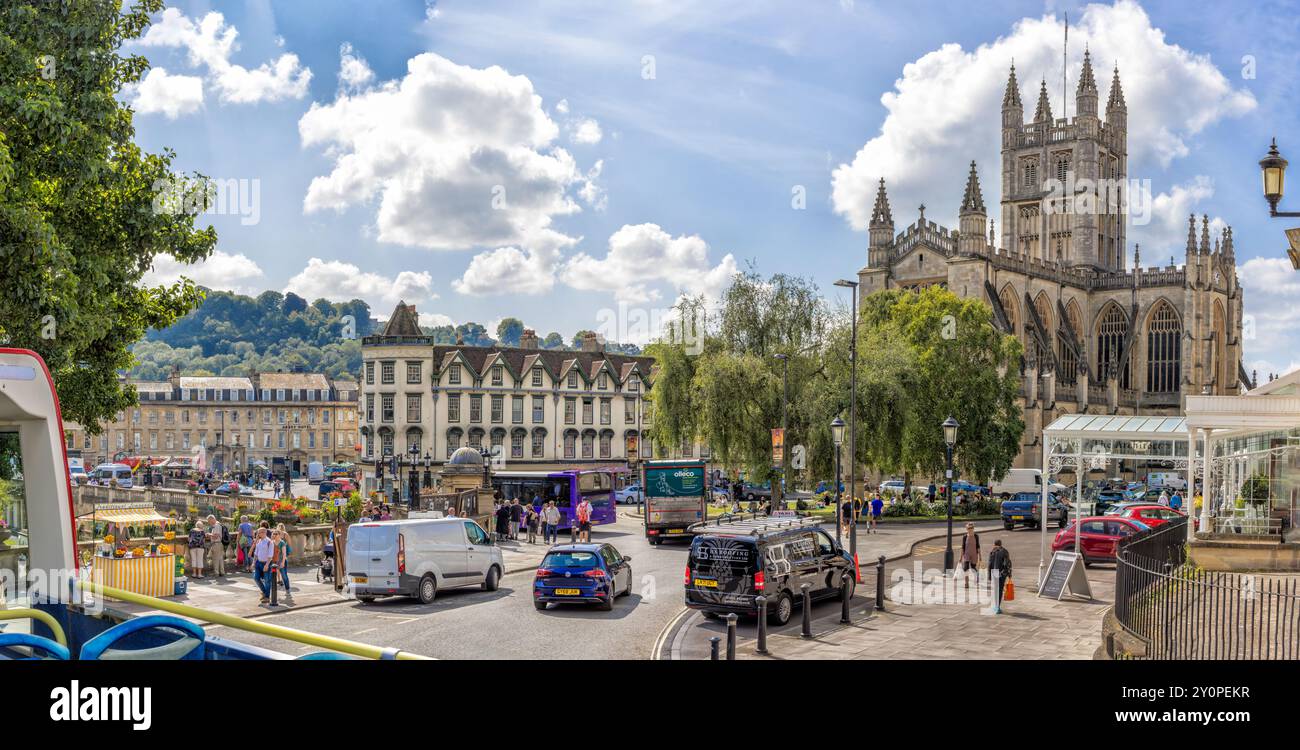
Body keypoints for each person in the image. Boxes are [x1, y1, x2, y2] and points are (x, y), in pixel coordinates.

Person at [988, 539, 1012, 615]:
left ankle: (996, 606)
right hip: (1002, 573)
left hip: (994, 572)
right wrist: (1009, 574)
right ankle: (997, 607)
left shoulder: (992, 552)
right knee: (1000, 589)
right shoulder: (1005, 551)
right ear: (1001, 544)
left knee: (995, 589)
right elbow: (1007, 563)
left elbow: (990, 564)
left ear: (994, 544)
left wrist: (989, 575)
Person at [251, 528, 275, 604]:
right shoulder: (258, 541)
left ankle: (267, 597)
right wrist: (253, 563)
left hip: (266, 563)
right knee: (256, 578)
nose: (257, 535)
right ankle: (265, 592)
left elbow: (270, 555)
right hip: (258, 563)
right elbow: (256, 554)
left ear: (264, 533)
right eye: (257, 533)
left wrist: (267, 565)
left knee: (267, 581)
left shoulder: (269, 542)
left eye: (259, 533)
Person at [959, 522, 981, 589]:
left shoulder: (976, 536)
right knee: (966, 568)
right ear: (966, 529)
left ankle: (977, 579)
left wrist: (980, 556)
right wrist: (960, 557)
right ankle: (966, 583)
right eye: (968, 528)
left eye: (971, 528)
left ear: (973, 528)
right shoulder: (965, 536)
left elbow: (978, 547)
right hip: (966, 554)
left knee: (973, 568)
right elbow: (963, 547)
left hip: (974, 554)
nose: (970, 529)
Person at [274, 523, 292, 598]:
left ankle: (287, 589)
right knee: (273, 575)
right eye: (274, 534)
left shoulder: (282, 541)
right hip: (275, 561)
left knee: (284, 575)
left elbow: (285, 552)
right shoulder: (272, 542)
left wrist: (283, 562)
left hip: (282, 559)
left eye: (275, 534)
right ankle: (278, 582)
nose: (274, 535)